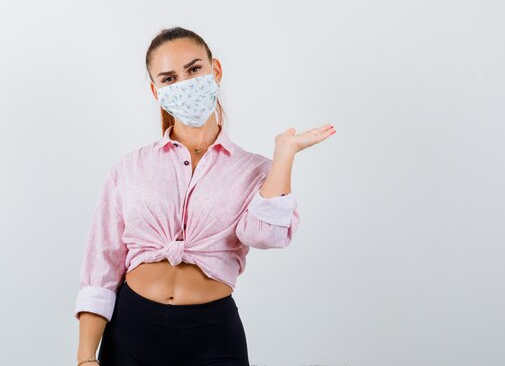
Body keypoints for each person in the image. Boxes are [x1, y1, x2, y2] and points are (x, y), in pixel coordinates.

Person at [74, 26, 336, 366]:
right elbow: (102, 264)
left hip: (212, 335)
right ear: (156, 92)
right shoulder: (130, 168)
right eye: (169, 79)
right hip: (131, 329)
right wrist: (85, 357)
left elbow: (265, 234)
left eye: (194, 69)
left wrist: (284, 154)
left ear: (216, 71)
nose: (184, 84)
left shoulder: (253, 170)